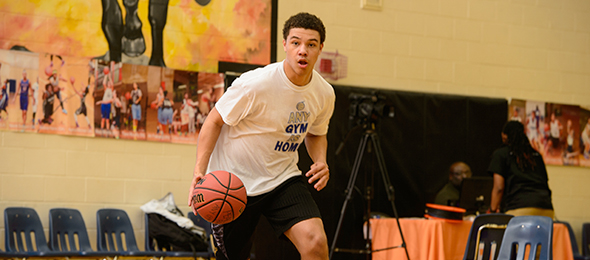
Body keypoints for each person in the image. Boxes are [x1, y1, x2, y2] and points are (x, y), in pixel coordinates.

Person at [187, 12, 334, 260]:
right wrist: (199, 171)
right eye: (296, 42)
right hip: (234, 184)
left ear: (320, 48)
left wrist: (320, 160)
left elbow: (316, 133)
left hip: (282, 178)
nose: (302, 51)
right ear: (285, 45)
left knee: (315, 242)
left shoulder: (324, 93)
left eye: (311, 45)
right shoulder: (255, 84)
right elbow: (213, 120)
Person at [488, 121, 554, 218]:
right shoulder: (536, 156)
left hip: (519, 207)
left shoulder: (501, 154)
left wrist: (492, 210)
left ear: (504, 136)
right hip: (546, 209)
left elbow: (499, 188)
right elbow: (544, 183)